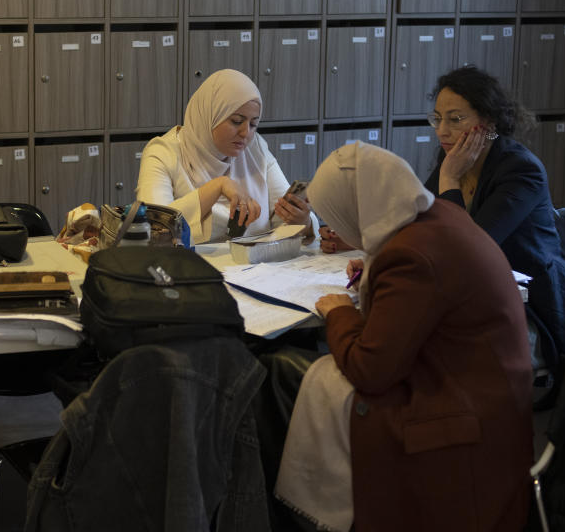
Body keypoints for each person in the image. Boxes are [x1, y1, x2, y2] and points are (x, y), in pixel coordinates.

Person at [275, 142, 534, 532]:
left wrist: (340, 311)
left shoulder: (411, 256)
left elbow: (370, 369)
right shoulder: (436, 216)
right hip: (492, 401)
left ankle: (290, 516)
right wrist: (375, 269)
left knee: (287, 372)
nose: (337, 226)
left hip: (461, 423)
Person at [423, 66, 565, 373]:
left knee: (425, 354)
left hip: (530, 313)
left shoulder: (520, 170)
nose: (441, 131)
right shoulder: (454, 158)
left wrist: (449, 179)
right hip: (474, 299)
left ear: (487, 123)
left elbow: (469, 249)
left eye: (455, 119)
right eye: (438, 118)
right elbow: (420, 221)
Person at [136, 68, 314, 244]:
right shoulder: (162, 152)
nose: (246, 133)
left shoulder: (255, 148)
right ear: (210, 115)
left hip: (253, 268)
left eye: (253, 124)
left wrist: (302, 222)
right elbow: (154, 227)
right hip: (192, 267)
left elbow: (282, 217)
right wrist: (217, 186)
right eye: (236, 121)